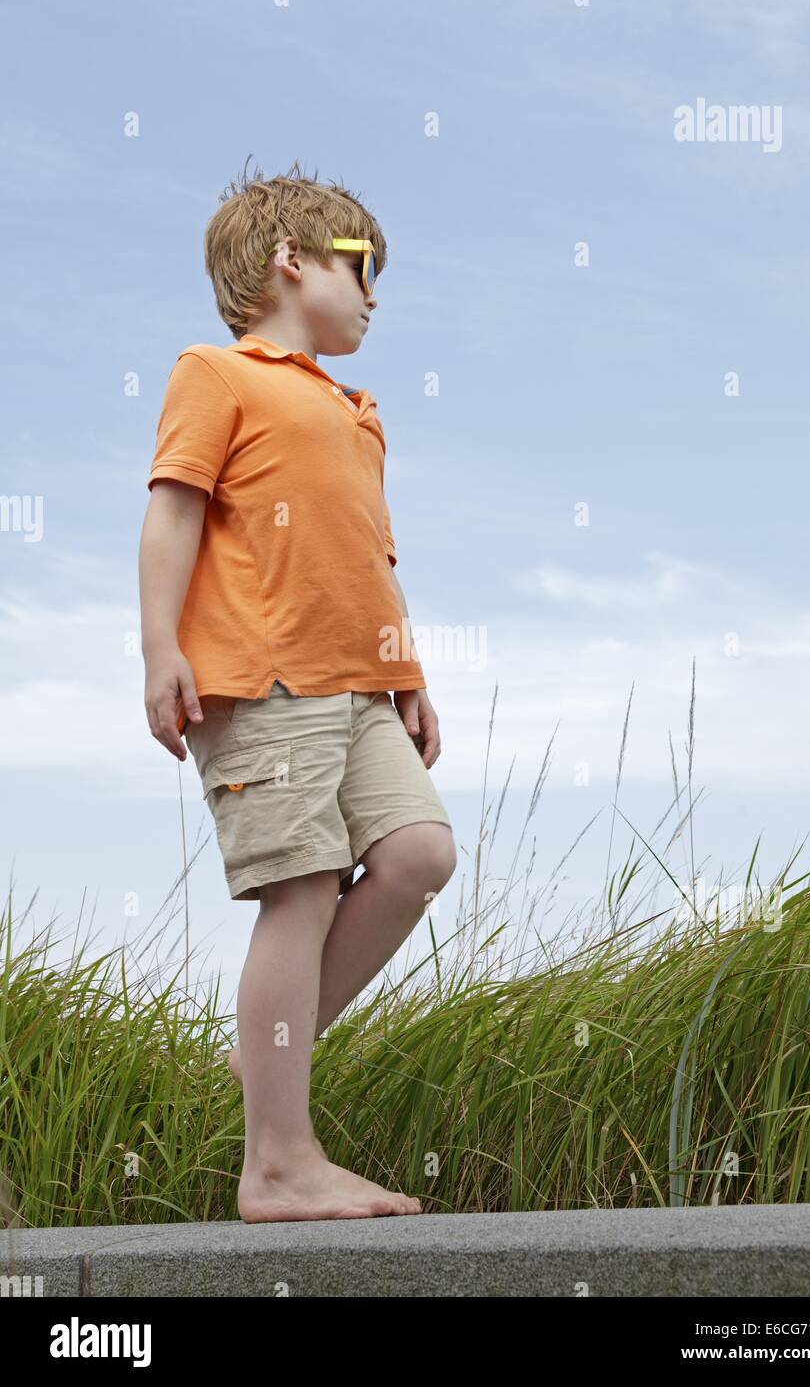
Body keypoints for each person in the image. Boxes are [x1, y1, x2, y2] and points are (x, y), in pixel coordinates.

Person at [138, 159, 457, 1221]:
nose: (374, 294)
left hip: (361, 685)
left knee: (418, 854)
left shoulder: (355, 413)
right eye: (362, 266)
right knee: (304, 886)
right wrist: (158, 652)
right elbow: (175, 512)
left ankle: (263, 1056)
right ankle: (277, 1160)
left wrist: (405, 674)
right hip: (261, 679)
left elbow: (370, 558)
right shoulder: (217, 375)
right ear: (290, 260)